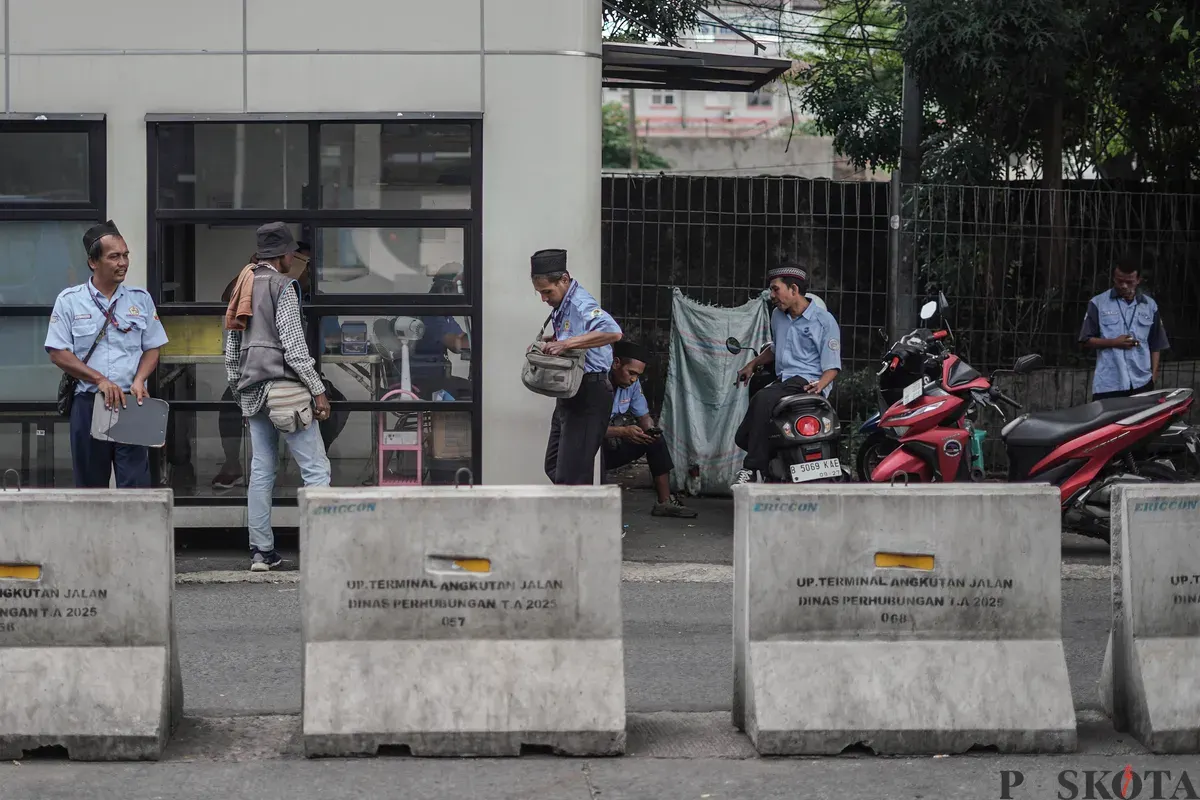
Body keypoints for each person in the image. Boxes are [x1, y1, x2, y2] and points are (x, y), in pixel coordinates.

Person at [224, 223, 332, 571]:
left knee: (261, 470)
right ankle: (322, 551)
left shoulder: (243, 282)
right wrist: (318, 390)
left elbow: (232, 345)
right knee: (316, 470)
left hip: (252, 388)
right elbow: (294, 345)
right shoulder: (283, 286)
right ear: (285, 255)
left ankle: (261, 551)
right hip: (286, 390)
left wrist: (238, 390)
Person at [212, 239, 347, 490]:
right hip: (280, 384)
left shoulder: (309, 295)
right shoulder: (256, 285)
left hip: (302, 377)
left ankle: (310, 453)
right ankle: (231, 463)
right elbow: (228, 305)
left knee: (337, 406)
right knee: (311, 471)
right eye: (297, 260)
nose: (300, 267)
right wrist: (253, 269)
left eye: (305, 264)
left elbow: (333, 339)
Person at [45, 220, 169, 488]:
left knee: (135, 488)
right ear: (93, 262)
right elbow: (57, 352)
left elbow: (153, 347)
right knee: (91, 491)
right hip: (89, 405)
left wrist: (140, 379)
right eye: (114, 256)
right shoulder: (70, 301)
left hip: (131, 404)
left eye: (125, 255)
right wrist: (99, 379)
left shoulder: (140, 299)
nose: (123, 262)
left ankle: (133, 532)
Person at [732, 262, 842, 486]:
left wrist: (821, 384)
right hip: (785, 380)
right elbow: (775, 348)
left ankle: (752, 468)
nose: (772, 295)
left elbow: (833, 365)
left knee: (762, 398)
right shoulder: (777, 316)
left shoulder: (824, 321)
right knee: (746, 433)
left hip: (807, 381)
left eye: (775, 289)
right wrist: (751, 365)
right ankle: (772, 461)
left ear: (794, 290)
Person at [532, 248, 623, 485]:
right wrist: (555, 340)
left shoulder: (581, 303)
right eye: (539, 293)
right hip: (569, 392)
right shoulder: (563, 305)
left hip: (589, 394)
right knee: (554, 466)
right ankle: (577, 514)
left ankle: (581, 520)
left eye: (547, 292)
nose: (544, 298)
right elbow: (578, 337)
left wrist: (567, 343)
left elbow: (613, 332)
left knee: (571, 477)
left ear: (564, 279)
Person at [603, 340, 697, 518]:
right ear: (616, 364)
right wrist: (623, 432)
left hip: (612, 447)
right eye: (631, 373)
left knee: (655, 440)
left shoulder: (632, 385)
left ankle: (665, 502)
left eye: (637, 376)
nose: (633, 379)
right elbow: (588, 431)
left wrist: (651, 432)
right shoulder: (597, 384)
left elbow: (644, 418)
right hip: (592, 451)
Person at [1078, 257, 1169, 400]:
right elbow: (1085, 340)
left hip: (1142, 383)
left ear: (1138, 280)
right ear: (1114, 278)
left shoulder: (1150, 306)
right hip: (1109, 384)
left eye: (1129, 282)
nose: (1124, 286)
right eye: (1119, 281)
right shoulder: (1098, 303)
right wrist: (1114, 342)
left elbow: (1156, 344)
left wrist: (1153, 378)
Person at [409, 262, 471, 399]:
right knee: (474, 392)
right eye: (461, 289)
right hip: (422, 381)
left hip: (435, 377)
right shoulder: (431, 313)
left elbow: (460, 337)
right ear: (446, 289)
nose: (463, 294)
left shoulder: (444, 312)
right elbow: (456, 344)